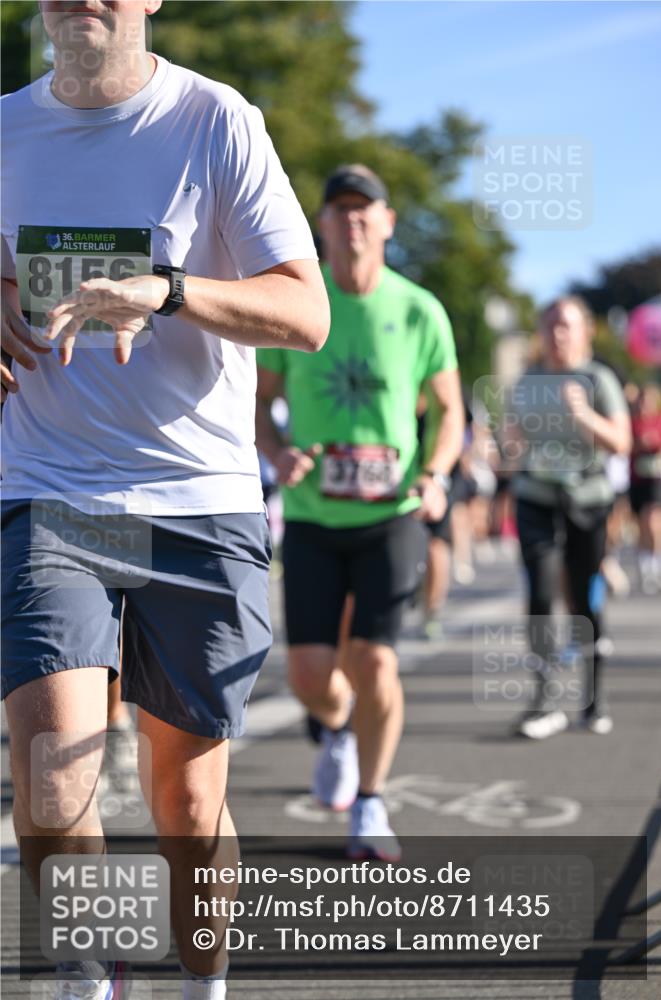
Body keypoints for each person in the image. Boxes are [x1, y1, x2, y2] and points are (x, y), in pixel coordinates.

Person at [1, 4, 329, 999]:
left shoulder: (215, 120)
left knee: (185, 802)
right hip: (54, 489)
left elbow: (305, 312)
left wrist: (169, 290)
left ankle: (203, 980)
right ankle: (90, 975)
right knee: (54, 775)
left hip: (198, 497)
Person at [255, 164, 464, 860]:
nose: (352, 220)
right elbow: (258, 399)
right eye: (339, 209)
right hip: (313, 516)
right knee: (311, 676)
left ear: (387, 222)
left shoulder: (419, 309)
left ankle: (371, 801)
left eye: (364, 208)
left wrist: (435, 474)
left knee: (374, 662)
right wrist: (277, 451)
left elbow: (450, 410)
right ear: (321, 223)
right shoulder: (299, 298)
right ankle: (338, 728)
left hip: (392, 512)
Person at [505, 297, 631, 739]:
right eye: (550, 325)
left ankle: (593, 699)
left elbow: (621, 443)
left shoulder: (598, 379)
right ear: (540, 332)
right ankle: (544, 700)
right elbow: (510, 448)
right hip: (536, 498)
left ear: (584, 332)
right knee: (540, 594)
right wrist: (509, 442)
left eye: (567, 325)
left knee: (583, 598)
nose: (558, 334)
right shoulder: (526, 382)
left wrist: (584, 415)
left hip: (588, 501)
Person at [629, 383, 661, 594]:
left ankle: (658, 564)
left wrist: (659, 447)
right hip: (637, 480)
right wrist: (639, 444)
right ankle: (646, 568)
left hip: (656, 480)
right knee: (643, 525)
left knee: (655, 523)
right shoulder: (632, 423)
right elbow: (624, 447)